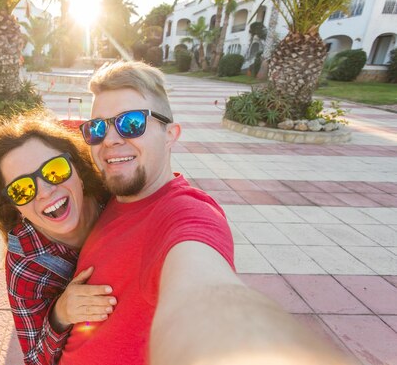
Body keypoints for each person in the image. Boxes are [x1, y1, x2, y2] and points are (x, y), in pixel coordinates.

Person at [59, 61, 353, 365]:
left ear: (171, 134)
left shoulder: (185, 213)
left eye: (131, 123)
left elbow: (205, 292)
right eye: (96, 128)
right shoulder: (110, 198)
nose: (110, 139)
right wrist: (61, 312)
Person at [0, 112, 115, 365]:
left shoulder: (114, 196)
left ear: (78, 170)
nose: (45, 191)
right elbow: (35, 358)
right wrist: (61, 313)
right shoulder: (26, 265)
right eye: (22, 188)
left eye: (55, 170)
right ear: (14, 205)